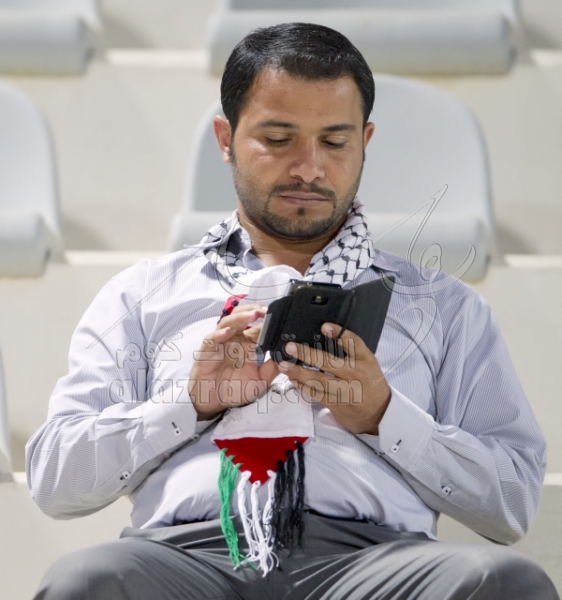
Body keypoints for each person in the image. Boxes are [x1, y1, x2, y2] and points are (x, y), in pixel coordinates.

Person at [26, 22, 558, 600]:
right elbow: (55, 481)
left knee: (504, 583)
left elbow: (512, 502)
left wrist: (384, 417)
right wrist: (188, 403)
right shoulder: (141, 295)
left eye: (335, 142)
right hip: (182, 561)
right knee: (85, 582)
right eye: (278, 140)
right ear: (226, 139)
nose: (309, 168)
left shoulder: (446, 307)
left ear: (365, 141)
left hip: (377, 565)